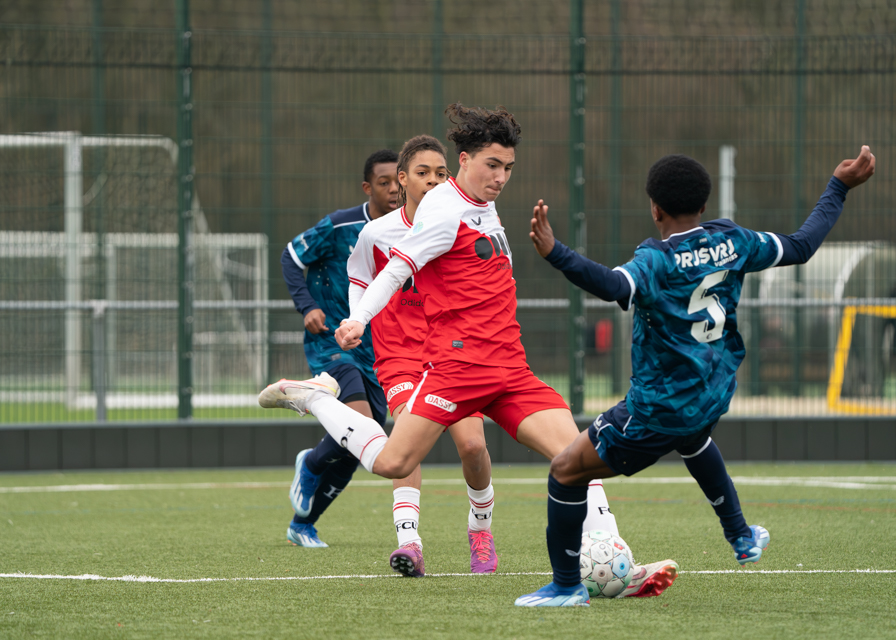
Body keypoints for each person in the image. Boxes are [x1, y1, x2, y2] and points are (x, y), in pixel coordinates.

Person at [261, 104, 678, 597]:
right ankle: (313, 399)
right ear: (466, 160)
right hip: (457, 370)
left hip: (509, 367)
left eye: (508, 169)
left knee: (578, 456)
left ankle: (614, 569)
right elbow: (395, 270)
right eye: (492, 166)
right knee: (393, 462)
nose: (501, 177)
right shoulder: (443, 209)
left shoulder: (483, 203)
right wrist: (357, 320)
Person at [515, 146, 876, 607]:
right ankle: (742, 537)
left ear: (655, 208)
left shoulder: (655, 260)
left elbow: (611, 285)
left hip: (658, 409)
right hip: (713, 391)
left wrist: (554, 251)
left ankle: (565, 587)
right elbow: (802, 245)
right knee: (694, 438)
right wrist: (839, 186)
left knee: (565, 471)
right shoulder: (735, 241)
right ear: (704, 205)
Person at [347, 134, 497, 577]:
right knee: (405, 450)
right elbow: (361, 278)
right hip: (400, 357)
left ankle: (481, 529)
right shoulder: (376, 233)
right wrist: (358, 320)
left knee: (472, 445)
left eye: (440, 173)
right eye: (421, 173)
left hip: (453, 354)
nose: (432, 181)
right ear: (401, 180)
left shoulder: (461, 223)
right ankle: (409, 543)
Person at [279, 149, 399, 548]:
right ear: (368, 187)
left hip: (379, 351)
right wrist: (307, 306)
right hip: (334, 343)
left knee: (361, 446)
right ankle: (311, 464)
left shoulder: (412, 231)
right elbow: (291, 257)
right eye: (384, 182)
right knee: (362, 426)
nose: (394, 189)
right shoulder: (340, 225)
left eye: (399, 180)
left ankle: (303, 524)